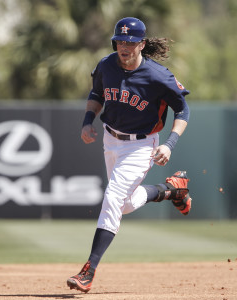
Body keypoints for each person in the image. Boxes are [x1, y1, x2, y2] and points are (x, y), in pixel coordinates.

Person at [67, 17, 192, 293]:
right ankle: (171, 190)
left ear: (142, 45)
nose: (124, 46)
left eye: (131, 42)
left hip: (141, 145)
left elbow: (183, 110)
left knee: (112, 197)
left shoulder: (158, 76)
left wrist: (169, 144)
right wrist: (88, 120)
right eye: (120, 41)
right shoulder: (106, 65)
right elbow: (96, 93)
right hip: (110, 139)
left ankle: (89, 270)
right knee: (123, 204)